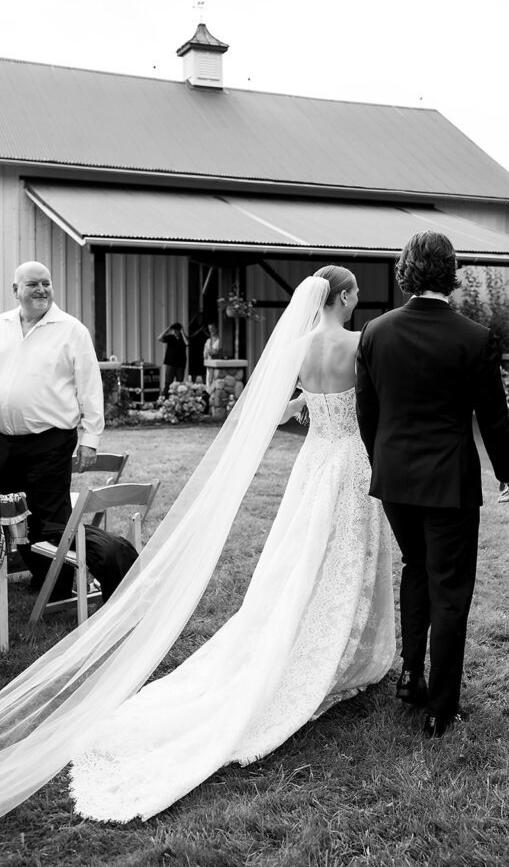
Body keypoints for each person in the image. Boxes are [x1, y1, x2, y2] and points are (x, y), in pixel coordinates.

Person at [54, 266, 394, 822]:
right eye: (355, 293)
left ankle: (319, 632)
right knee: (349, 551)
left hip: (314, 462)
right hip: (351, 460)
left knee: (303, 554)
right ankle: (341, 648)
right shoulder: (361, 344)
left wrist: (302, 405)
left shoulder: (300, 346)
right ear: (347, 297)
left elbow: (292, 405)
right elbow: (370, 405)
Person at [356, 231, 509, 738]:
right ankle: (440, 706)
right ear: (451, 271)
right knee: (450, 589)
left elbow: (368, 412)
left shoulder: (376, 332)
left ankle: (411, 674)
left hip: (396, 479)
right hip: (450, 483)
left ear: (407, 271)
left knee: (416, 567)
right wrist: (506, 469)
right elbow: (493, 416)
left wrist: (381, 460)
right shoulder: (474, 337)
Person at [0, 261, 105, 597]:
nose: (42, 290)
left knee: (49, 514)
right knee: (11, 511)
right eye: (33, 284)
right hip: (4, 440)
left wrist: (90, 439)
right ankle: (35, 574)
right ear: (16, 290)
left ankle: (57, 584)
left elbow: (90, 386)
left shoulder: (72, 330)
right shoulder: (1, 325)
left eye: (46, 283)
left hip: (50, 440)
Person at [157, 322, 188, 396]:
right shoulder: (170, 337)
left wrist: (183, 332)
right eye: (173, 330)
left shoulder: (183, 338)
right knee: (168, 382)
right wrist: (167, 329)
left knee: (179, 383)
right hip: (170, 363)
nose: (174, 332)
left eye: (176, 330)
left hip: (180, 363)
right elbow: (159, 338)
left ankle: (178, 399)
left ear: (178, 330)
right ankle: (166, 398)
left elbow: (187, 343)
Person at [202, 322, 221, 389]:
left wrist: (213, 352)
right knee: (208, 382)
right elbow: (205, 355)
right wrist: (207, 353)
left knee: (214, 383)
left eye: (213, 328)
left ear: (216, 328)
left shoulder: (220, 340)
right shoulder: (208, 341)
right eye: (210, 329)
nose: (211, 330)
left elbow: (219, 352)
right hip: (209, 365)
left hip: (216, 365)